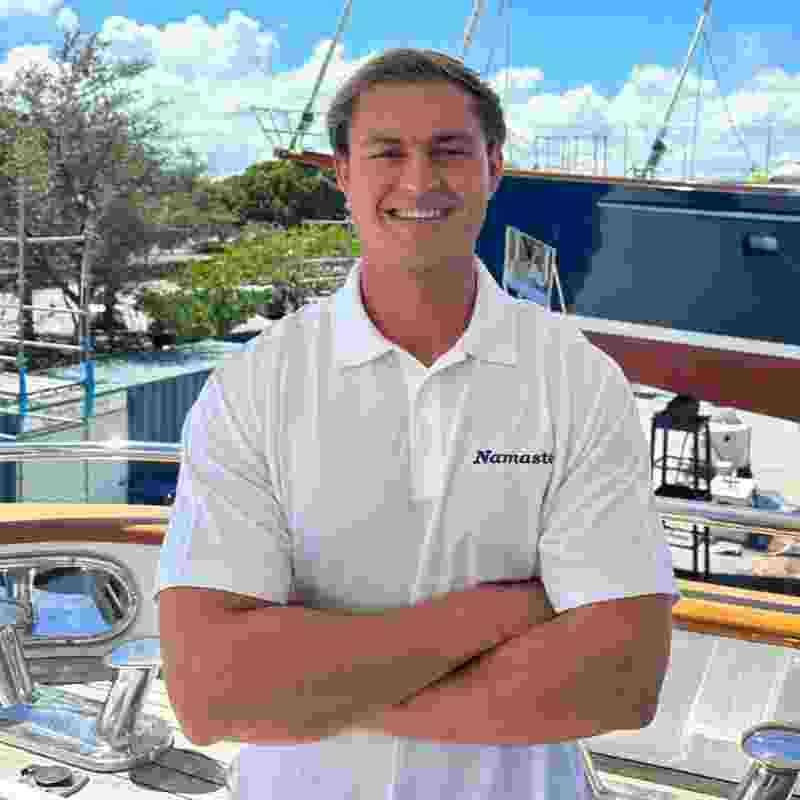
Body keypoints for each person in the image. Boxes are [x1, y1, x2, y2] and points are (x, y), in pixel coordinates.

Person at [154, 48, 679, 799]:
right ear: (343, 173)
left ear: (494, 168)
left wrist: (306, 694)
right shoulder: (254, 386)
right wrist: (507, 611)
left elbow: (619, 682)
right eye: (387, 153)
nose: (419, 180)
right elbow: (213, 693)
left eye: (449, 151)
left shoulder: (577, 378)